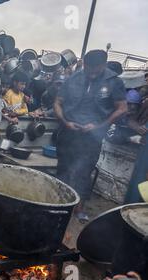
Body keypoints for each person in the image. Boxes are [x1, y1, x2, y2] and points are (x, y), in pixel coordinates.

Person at [54, 49, 128, 223]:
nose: (92, 75)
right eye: (89, 70)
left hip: (92, 138)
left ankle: (79, 208)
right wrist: (65, 121)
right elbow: (58, 102)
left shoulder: (114, 82)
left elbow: (122, 108)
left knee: (83, 172)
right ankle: (56, 204)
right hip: (68, 132)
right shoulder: (73, 78)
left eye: (96, 71)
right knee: (63, 168)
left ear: (103, 65)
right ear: (84, 64)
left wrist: (99, 126)